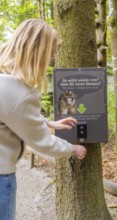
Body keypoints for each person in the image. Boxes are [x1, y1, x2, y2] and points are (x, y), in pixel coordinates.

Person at [0, 19, 87, 220]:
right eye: (51, 53)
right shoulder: (19, 91)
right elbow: (42, 142)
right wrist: (71, 148)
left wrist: (48, 123)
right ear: (39, 52)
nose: (51, 60)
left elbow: (9, 113)